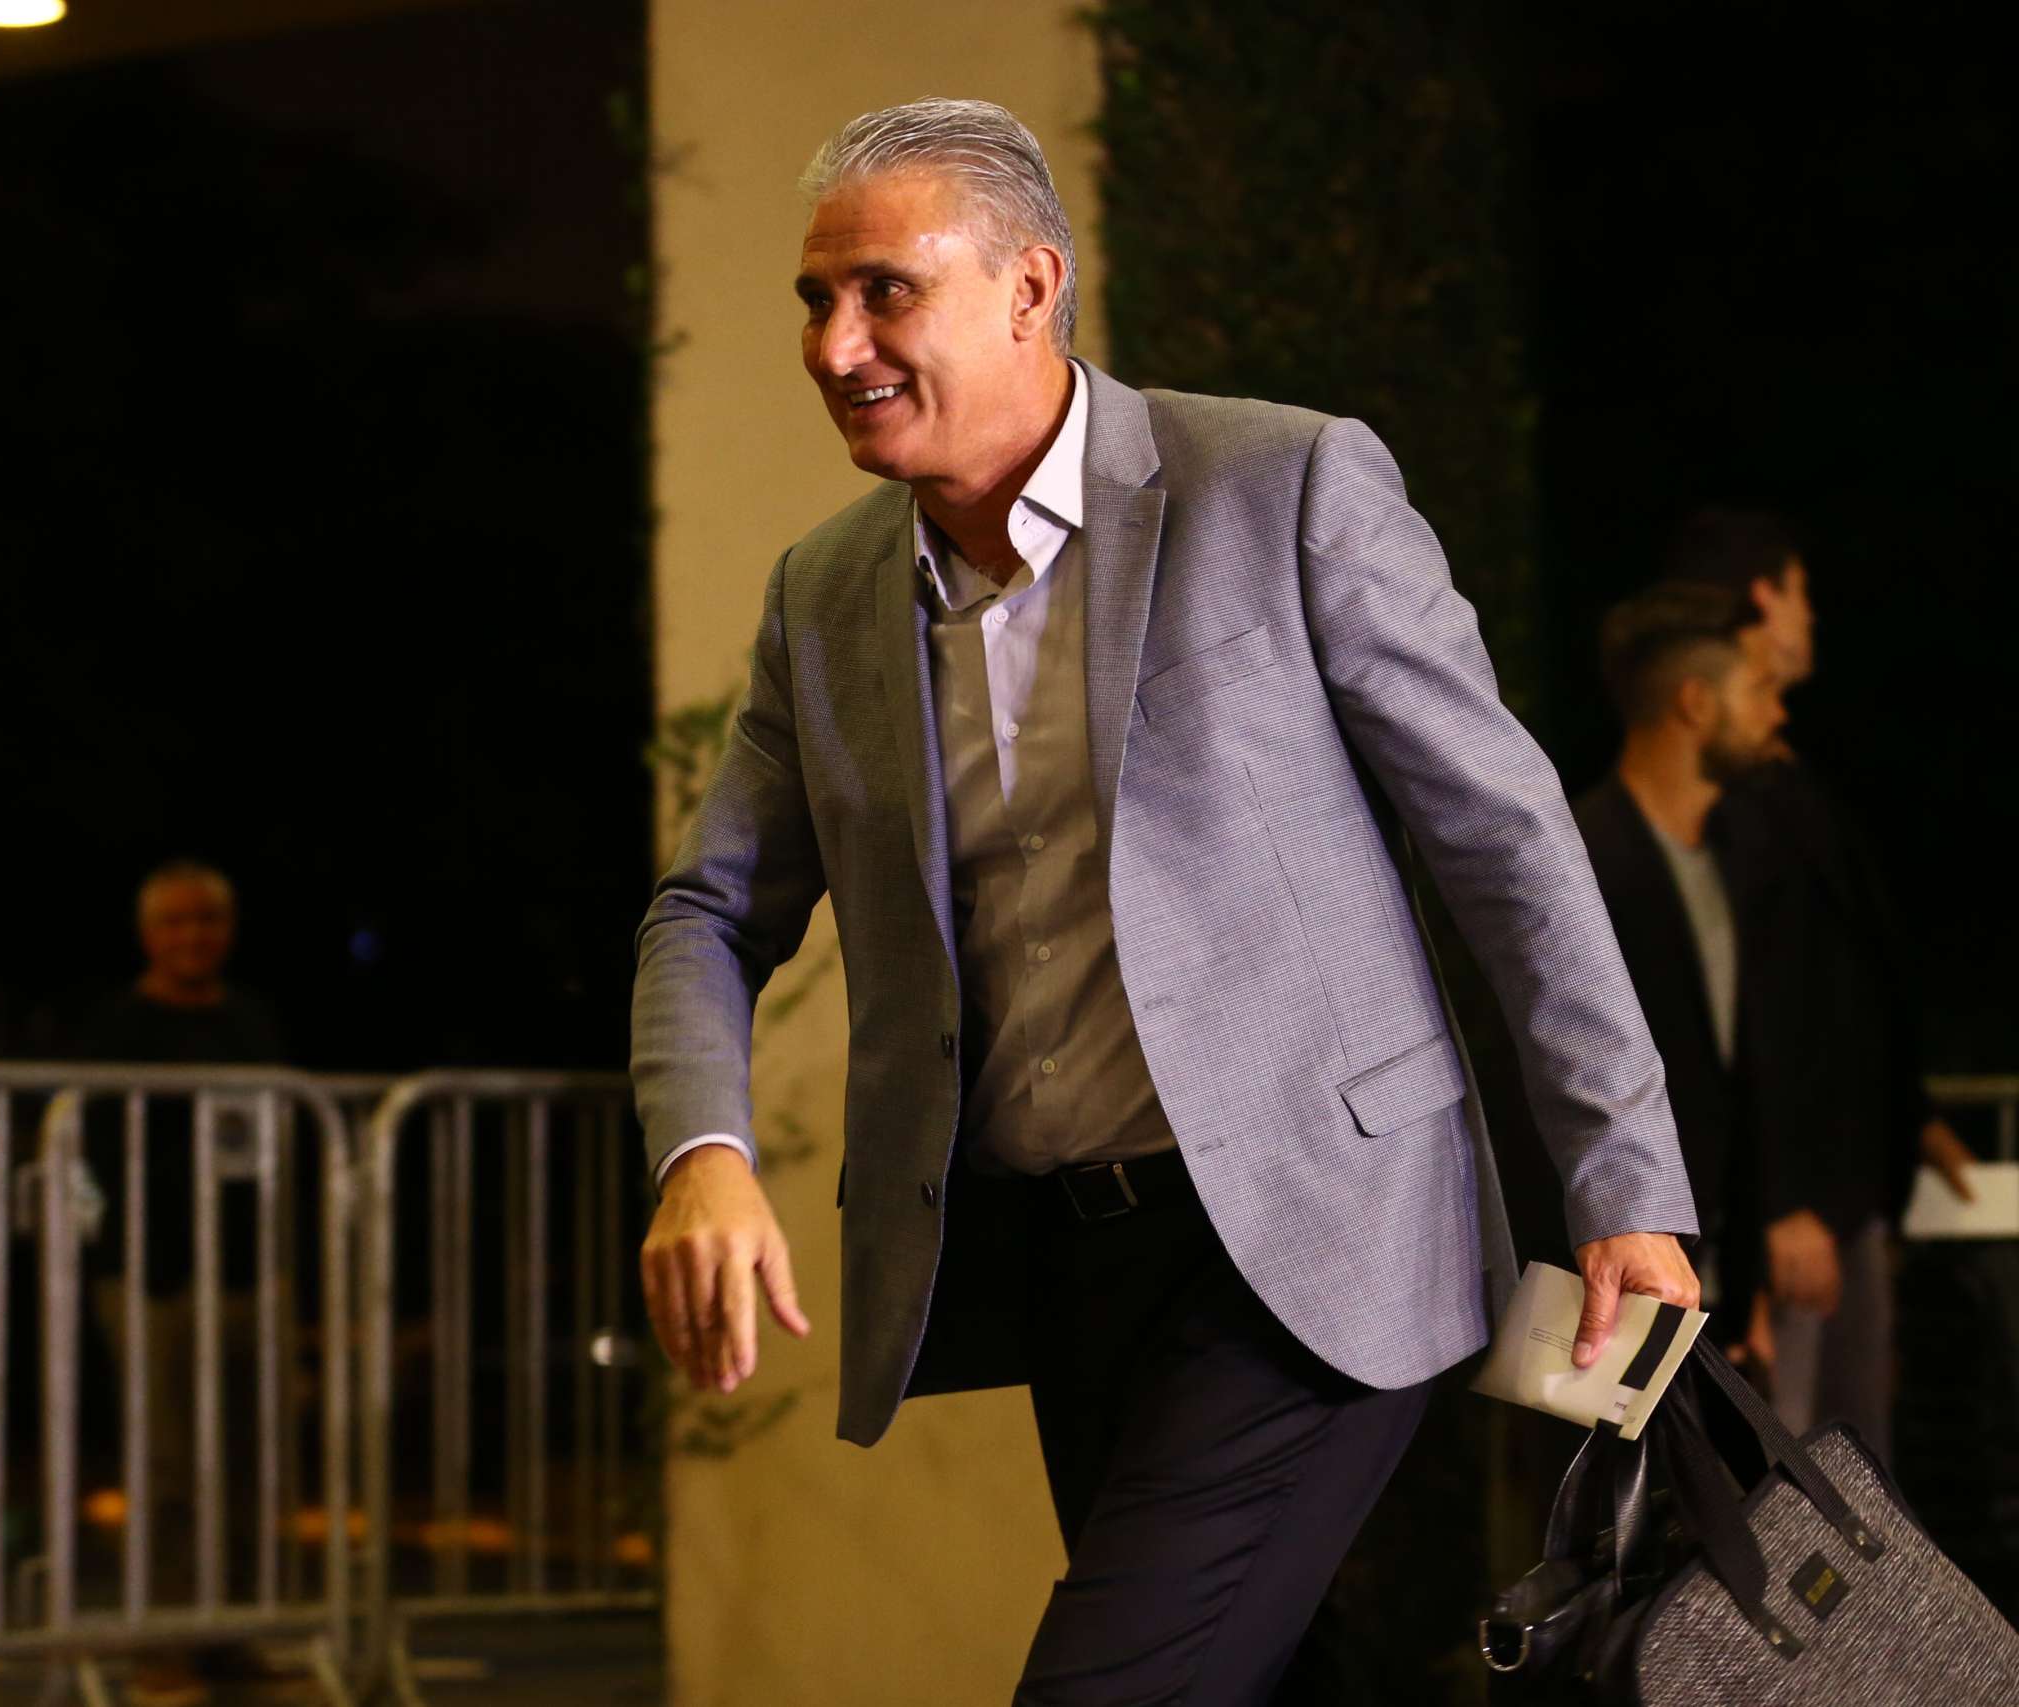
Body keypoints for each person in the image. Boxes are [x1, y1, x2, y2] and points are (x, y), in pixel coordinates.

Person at [630, 98, 1699, 1705]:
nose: (835, 344)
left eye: (885, 290)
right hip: (1069, 1263)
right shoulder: (825, 593)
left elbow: (1508, 838)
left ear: (1030, 288)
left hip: (1317, 1233)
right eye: (815, 298)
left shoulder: (1282, 481)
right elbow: (705, 911)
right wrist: (700, 1152)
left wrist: (1625, 1182)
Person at [1664, 509, 1977, 1460]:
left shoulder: (1777, 773)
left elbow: (1837, 977)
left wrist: (1908, 1112)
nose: (1812, 615)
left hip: (1838, 1186)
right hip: (1794, 1205)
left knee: (1848, 1461)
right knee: (1795, 1470)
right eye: (1801, 591)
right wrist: (1781, 1199)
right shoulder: (1723, 788)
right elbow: (1747, 1006)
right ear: (1765, 594)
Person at [80, 858, 285, 1707]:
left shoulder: (250, 1019)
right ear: (147, 934)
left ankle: (228, 1634)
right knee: (167, 1467)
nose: (193, 936)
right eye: (176, 921)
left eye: (207, 919)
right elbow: (100, 1150)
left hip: (244, 1274)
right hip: (151, 1277)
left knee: (246, 1462)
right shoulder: (117, 1026)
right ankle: (161, 1647)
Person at [1571, 583, 1790, 1347]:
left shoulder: (1735, 857)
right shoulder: (1580, 862)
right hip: (1617, 1290)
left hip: (1717, 1278)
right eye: (1759, 689)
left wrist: (1749, 1275)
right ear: (1695, 703)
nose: (1778, 712)